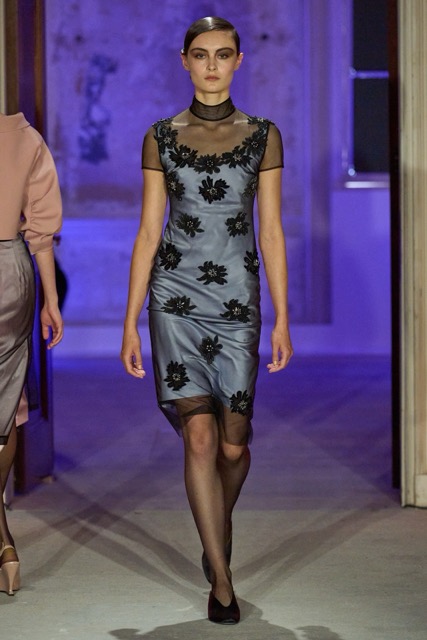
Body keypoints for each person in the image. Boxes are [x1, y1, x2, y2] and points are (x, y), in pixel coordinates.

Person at [121, 16, 293, 624]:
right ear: (185, 61)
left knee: (233, 445)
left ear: (239, 61)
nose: (212, 65)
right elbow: (148, 231)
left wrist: (282, 317)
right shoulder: (160, 137)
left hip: (239, 302)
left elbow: (270, 231)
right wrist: (129, 320)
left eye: (223, 54)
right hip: (174, 297)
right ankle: (221, 579)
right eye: (201, 55)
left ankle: (214, 526)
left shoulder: (264, 135)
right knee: (198, 435)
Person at [0, 112, 63, 596]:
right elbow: (40, 229)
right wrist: (51, 300)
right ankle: (3, 544)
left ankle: (3, 543)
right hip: (9, 274)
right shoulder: (23, 138)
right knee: (4, 404)